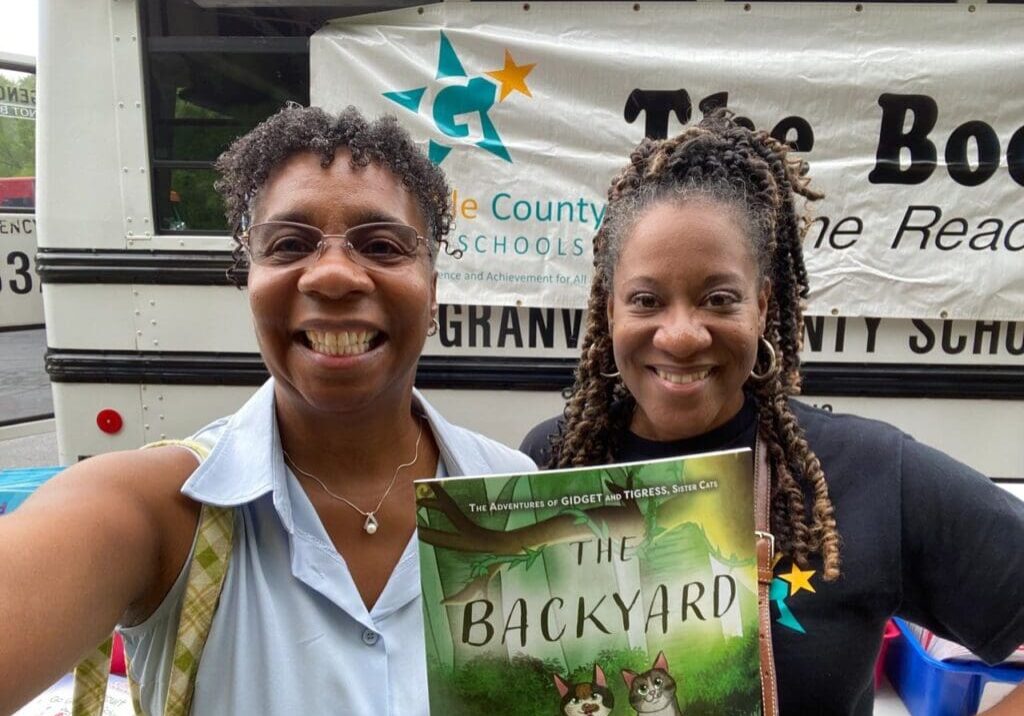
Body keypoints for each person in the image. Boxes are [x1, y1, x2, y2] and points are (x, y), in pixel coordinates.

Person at [0, 105, 535, 714]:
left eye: (382, 245)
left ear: (433, 290)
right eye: (288, 245)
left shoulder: (516, 496)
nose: (333, 276)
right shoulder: (159, 513)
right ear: (248, 280)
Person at [520, 113, 1024, 715]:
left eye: (718, 299)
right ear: (610, 310)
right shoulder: (548, 463)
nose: (680, 335)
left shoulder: (869, 472)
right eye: (647, 300)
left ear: (762, 305)